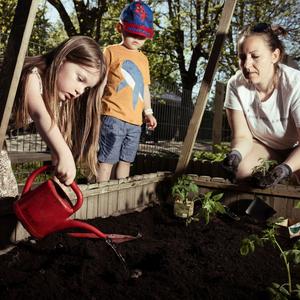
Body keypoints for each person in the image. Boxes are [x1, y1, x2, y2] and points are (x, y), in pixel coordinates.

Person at [0, 35, 107, 198]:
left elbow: (56, 132)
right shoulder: (31, 76)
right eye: (80, 79)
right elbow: (40, 115)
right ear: (62, 59)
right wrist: (64, 153)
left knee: (7, 195)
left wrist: (59, 168)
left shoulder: (56, 97)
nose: (80, 91)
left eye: (86, 88)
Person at [222, 22, 300, 188]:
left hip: (296, 148)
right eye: (242, 57)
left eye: (255, 56)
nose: (247, 65)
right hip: (264, 146)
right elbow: (242, 137)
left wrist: (286, 168)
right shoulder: (235, 85)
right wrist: (235, 155)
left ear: (275, 56)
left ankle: (289, 174)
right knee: (241, 171)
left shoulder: (295, 84)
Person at [97, 0, 157, 182]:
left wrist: (148, 112)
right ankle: (100, 197)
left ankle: (118, 200)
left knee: (126, 161)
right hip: (112, 116)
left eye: (142, 35)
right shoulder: (110, 51)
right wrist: (94, 108)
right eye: (132, 33)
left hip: (135, 122)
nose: (137, 39)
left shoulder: (143, 59)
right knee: (107, 160)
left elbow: (143, 88)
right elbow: (100, 82)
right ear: (120, 28)